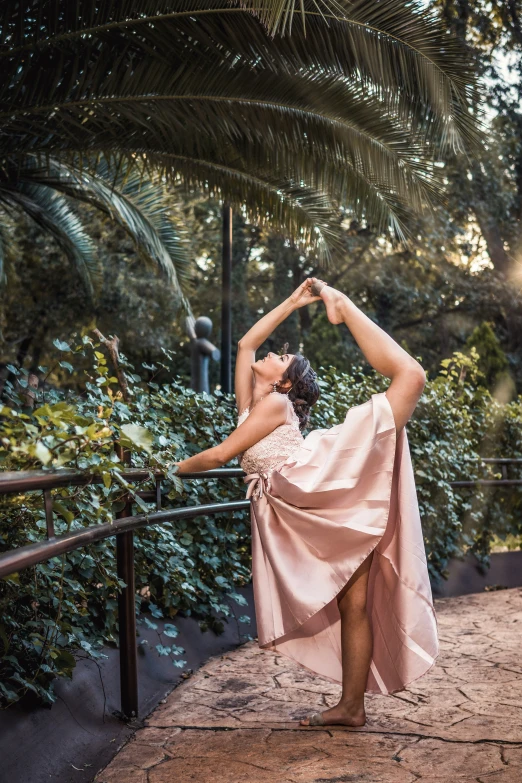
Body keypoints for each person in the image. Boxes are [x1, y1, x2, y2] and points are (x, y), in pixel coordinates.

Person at [174, 278, 439, 728]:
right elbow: (244, 343)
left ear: (283, 381)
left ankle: (347, 304)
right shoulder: (251, 407)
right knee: (351, 606)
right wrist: (293, 301)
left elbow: (219, 455)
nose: (272, 353)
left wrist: (167, 467)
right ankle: (352, 708)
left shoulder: (275, 406)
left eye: (282, 357)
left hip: (320, 484)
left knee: (411, 377)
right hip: (302, 506)